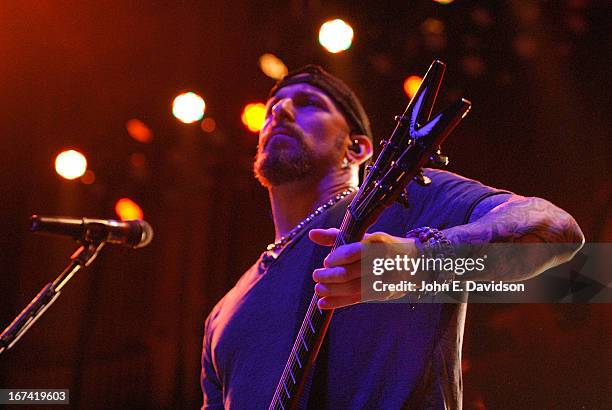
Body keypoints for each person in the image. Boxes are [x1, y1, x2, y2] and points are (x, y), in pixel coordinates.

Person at [201, 65, 584, 409]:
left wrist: (417, 263)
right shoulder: (222, 313)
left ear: (357, 148)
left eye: (308, 103)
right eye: (272, 109)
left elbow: (555, 230)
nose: (280, 112)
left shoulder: (402, 197)